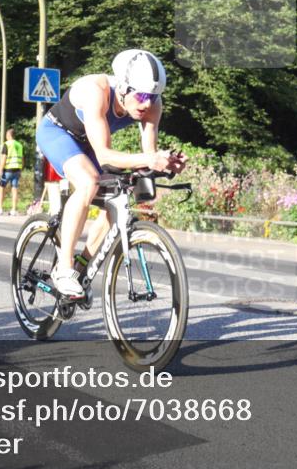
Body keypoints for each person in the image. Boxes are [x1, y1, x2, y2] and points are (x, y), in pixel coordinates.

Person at [36, 49, 186, 297]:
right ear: (124, 88)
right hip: (58, 134)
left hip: (91, 144)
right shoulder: (96, 92)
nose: (147, 103)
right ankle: (64, 267)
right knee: (88, 182)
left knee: (118, 197)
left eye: (153, 96)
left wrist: (166, 163)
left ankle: (82, 265)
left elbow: (147, 156)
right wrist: (149, 159)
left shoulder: (152, 105)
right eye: (141, 95)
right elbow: (104, 155)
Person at [0, 128, 24, 216]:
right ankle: (14, 210)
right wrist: (20, 170)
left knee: (1, 187)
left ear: (8, 135)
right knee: (14, 189)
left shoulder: (6, 144)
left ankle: (0, 209)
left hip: (7, 170)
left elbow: (3, 159)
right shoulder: (19, 145)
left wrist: (0, 171)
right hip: (17, 170)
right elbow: (22, 159)